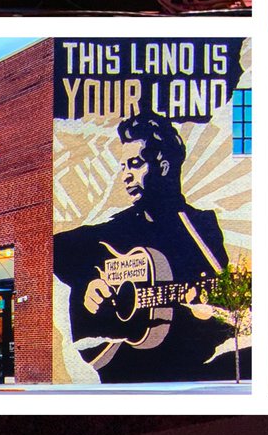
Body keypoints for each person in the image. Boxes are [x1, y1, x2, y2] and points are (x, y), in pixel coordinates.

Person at [52, 113, 246, 384]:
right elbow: (52, 249)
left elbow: (226, 316)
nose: (126, 176)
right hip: (127, 364)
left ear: (163, 166)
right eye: (123, 167)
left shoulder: (202, 227)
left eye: (135, 164)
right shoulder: (118, 228)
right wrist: (88, 282)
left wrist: (207, 313)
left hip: (188, 367)